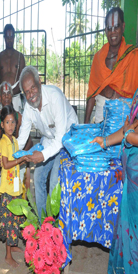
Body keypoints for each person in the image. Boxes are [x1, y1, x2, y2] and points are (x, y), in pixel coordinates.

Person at [17, 66, 78, 218]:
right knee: (37, 178)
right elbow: (22, 139)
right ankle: (43, 223)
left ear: (39, 83)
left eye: (33, 88)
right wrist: (6, 153)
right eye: (27, 92)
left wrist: (42, 155)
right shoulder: (29, 108)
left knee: (54, 182)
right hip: (50, 139)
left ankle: (57, 226)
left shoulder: (54, 96)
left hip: (67, 139)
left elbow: (60, 138)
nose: (31, 95)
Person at [91, 89, 138, 273]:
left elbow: (130, 132)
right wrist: (105, 141)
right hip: (131, 183)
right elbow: (130, 126)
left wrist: (128, 134)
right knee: (128, 235)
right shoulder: (136, 94)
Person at [0, 81, 32, 217]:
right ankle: (4, 206)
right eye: (3, 94)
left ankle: (16, 208)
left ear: (12, 96)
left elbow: (29, 141)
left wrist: (21, 156)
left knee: (18, 185)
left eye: (8, 93)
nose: (6, 97)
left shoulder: (18, 117)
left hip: (16, 158)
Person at [84, 7, 138, 124]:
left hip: (125, 121)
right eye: (109, 28)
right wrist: (85, 123)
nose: (112, 32)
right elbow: (92, 94)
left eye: (116, 27)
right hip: (100, 117)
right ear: (105, 30)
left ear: (123, 27)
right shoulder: (98, 58)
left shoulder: (133, 56)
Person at [0, 105, 27, 268]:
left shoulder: (14, 140)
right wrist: (20, 160)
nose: (11, 126)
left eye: (13, 122)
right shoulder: (3, 142)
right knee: (9, 222)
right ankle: (7, 255)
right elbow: (7, 164)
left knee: (16, 220)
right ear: (2, 124)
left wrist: (23, 157)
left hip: (16, 188)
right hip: (8, 190)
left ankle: (14, 244)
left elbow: (16, 159)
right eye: (7, 122)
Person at [0, 24, 26, 112]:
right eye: (7, 37)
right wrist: (3, 94)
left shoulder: (20, 57)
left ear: (14, 37)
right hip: (3, 97)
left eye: (11, 36)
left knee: (16, 121)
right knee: (3, 122)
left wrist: (11, 94)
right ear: (4, 37)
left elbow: (23, 79)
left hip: (15, 96)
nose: (9, 39)